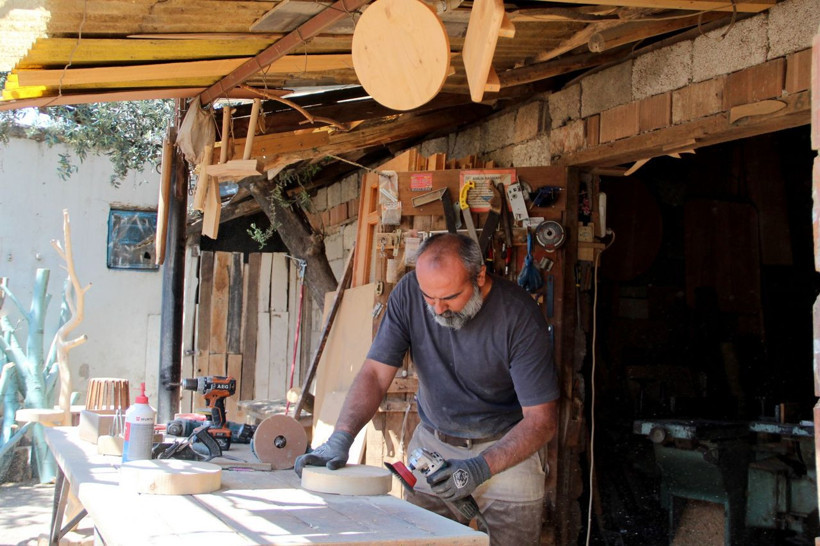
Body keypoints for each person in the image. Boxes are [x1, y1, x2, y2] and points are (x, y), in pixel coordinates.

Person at [295, 233, 559, 545]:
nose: (438, 309)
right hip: (435, 444)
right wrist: (341, 437)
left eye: (449, 298)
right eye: (429, 298)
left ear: (480, 275)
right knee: (421, 539)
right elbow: (376, 374)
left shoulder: (520, 315)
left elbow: (541, 421)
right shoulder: (408, 294)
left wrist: (479, 467)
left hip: (506, 447)